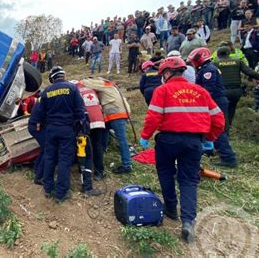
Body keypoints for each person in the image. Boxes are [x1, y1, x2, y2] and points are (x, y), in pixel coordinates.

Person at [139, 57, 225, 244]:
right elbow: (219, 119)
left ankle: (170, 208)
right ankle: (188, 221)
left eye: (163, 74)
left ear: (167, 73)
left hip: (168, 140)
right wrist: (210, 138)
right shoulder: (200, 91)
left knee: (165, 172)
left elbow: (153, 116)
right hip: (194, 142)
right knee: (188, 180)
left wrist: (145, 136)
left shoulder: (162, 90)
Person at [37, 66, 86, 203]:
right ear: (63, 76)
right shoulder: (72, 88)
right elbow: (80, 110)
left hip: (51, 130)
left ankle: (47, 188)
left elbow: (40, 113)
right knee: (64, 160)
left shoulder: (46, 91)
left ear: (52, 78)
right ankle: (61, 193)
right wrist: (80, 125)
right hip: (67, 130)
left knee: (50, 157)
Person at [187, 48, 238, 167]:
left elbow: (207, 91)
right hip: (215, 102)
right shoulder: (207, 68)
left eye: (194, 60)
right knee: (211, 129)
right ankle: (213, 151)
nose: (193, 63)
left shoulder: (207, 71)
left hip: (215, 103)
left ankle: (228, 158)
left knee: (217, 131)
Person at [82, 78, 132, 174]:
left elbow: (87, 83)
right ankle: (101, 152)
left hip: (117, 114)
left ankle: (127, 164)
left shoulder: (103, 84)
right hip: (112, 114)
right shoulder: (110, 86)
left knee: (122, 140)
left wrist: (79, 82)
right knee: (104, 131)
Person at [213, 46, 259, 126]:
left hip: (222, 91)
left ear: (218, 54)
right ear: (229, 53)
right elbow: (249, 72)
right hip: (236, 91)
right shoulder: (237, 61)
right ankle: (229, 124)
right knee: (232, 107)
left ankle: (223, 127)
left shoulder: (215, 63)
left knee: (222, 110)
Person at [74, 80, 105, 192]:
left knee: (85, 147)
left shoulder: (76, 91)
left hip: (87, 121)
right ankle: (99, 172)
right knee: (98, 146)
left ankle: (83, 169)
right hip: (99, 120)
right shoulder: (91, 89)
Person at [27, 95, 45, 185]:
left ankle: (37, 168)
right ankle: (39, 176)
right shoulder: (46, 99)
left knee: (44, 147)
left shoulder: (43, 97)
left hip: (34, 126)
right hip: (36, 127)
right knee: (47, 149)